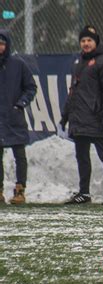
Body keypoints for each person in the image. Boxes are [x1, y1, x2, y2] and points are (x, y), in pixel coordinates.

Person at [60, 26, 103, 206]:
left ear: (96, 42)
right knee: (82, 155)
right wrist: (65, 116)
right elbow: (73, 92)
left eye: (89, 40)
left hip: (96, 117)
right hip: (79, 118)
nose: (86, 44)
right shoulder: (78, 63)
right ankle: (84, 192)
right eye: (83, 41)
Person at [0, 29, 37, 204]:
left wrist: (20, 104)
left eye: (2, 43)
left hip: (14, 117)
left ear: (7, 45)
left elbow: (31, 87)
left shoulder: (18, 64)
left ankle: (20, 189)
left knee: (19, 155)